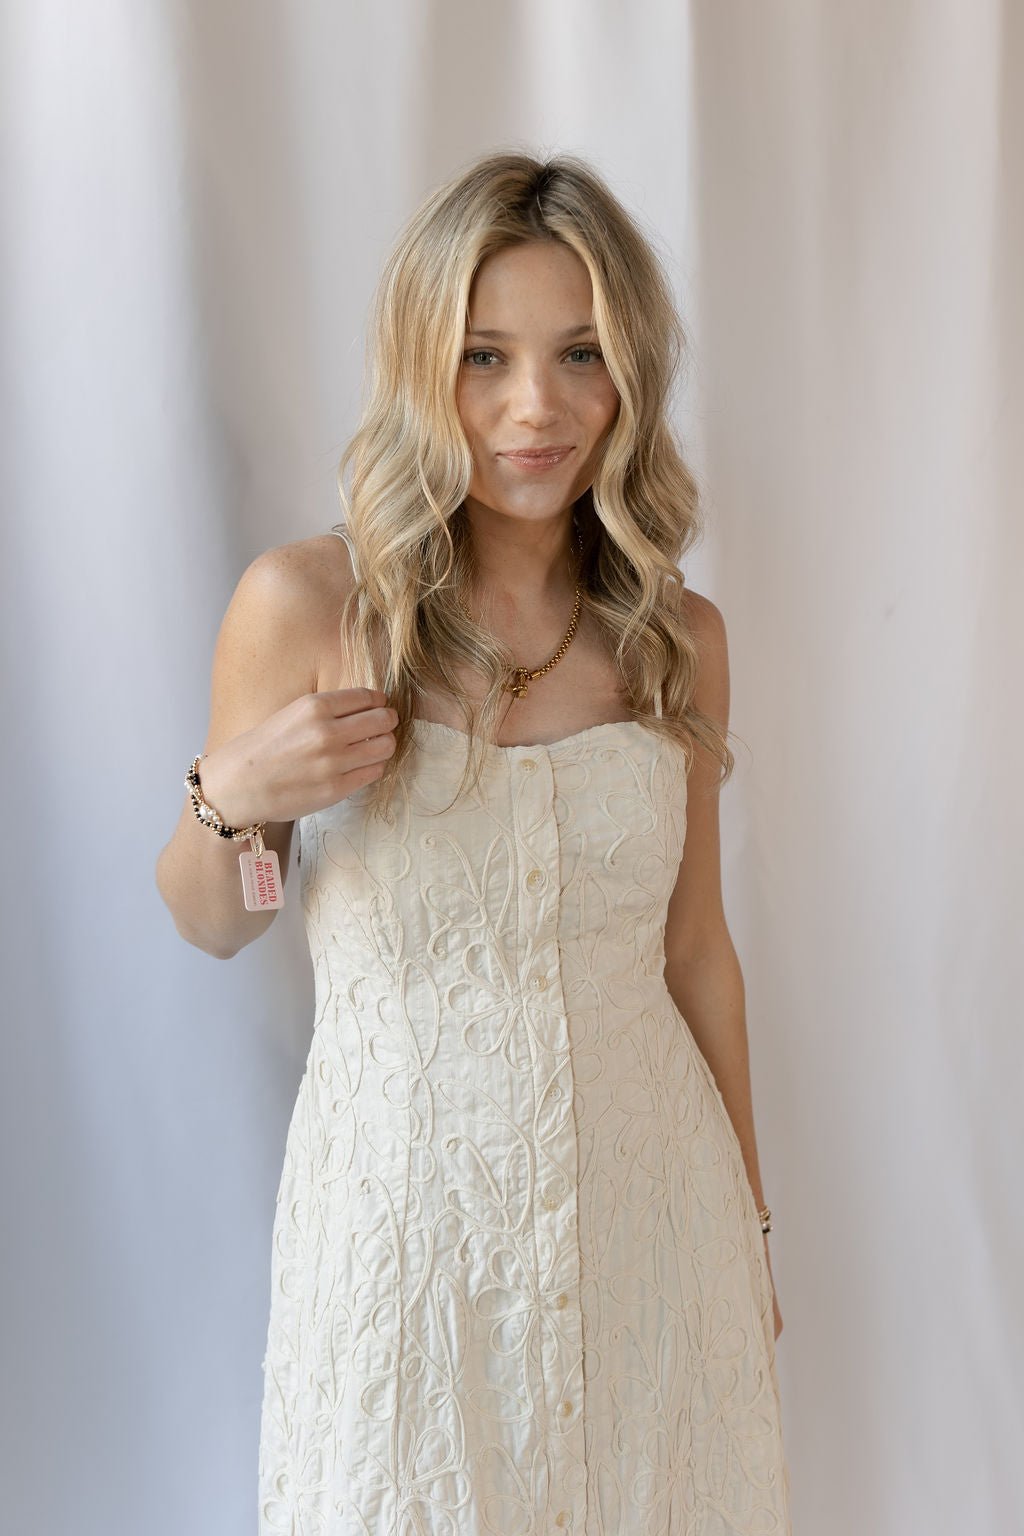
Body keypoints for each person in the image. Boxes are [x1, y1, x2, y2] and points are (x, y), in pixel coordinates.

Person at [156, 150, 792, 1536]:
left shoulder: (677, 638)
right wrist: (230, 789)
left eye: (581, 353)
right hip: (403, 1255)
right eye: (483, 356)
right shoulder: (310, 606)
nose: (534, 406)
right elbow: (213, 919)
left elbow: (697, 952)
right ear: (419, 365)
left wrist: (748, 1227)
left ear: (631, 374)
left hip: (651, 1231)